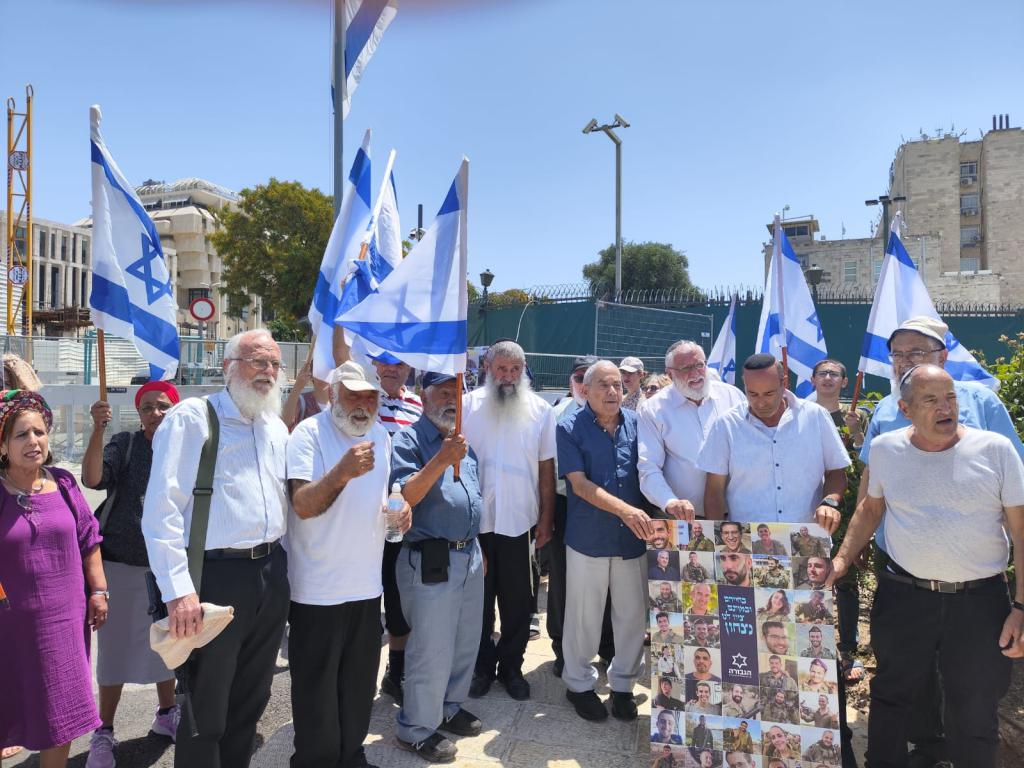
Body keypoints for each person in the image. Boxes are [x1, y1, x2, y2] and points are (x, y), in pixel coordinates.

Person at [832, 363, 1024, 768]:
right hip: (904, 597)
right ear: (905, 409)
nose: (945, 408)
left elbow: (1021, 531)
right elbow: (870, 509)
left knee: (973, 707)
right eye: (931, 400)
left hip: (979, 602)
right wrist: (842, 559)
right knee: (892, 697)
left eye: (950, 397)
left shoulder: (995, 450)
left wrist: (1021, 607)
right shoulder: (886, 450)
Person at [142, 329, 291, 766]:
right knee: (204, 710)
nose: (267, 372)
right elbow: (161, 511)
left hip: (270, 573)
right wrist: (178, 590)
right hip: (213, 578)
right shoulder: (193, 418)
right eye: (257, 361)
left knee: (251, 698)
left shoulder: (275, 426)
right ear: (229, 367)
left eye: (274, 365)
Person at [285, 361, 410, 768]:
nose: (362, 405)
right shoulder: (309, 434)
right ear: (333, 395)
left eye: (370, 396)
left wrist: (401, 510)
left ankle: (352, 755)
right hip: (316, 589)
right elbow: (303, 505)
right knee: (316, 689)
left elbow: (383, 499)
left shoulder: (379, 436)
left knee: (358, 686)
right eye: (353, 395)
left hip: (365, 587)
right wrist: (341, 472)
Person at [0, 391, 107, 768]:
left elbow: (89, 539)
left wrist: (98, 591)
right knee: (9, 703)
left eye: (40, 433)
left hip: (64, 622)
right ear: (2, 444)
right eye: (21, 435)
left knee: (61, 713)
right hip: (9, 626)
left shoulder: (63, 483)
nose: (34, 442)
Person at [81, 381, 181, 767]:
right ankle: (103, 732)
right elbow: (92, 479)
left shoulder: (187, 447)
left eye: (163, 407)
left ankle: (166, 713)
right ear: (138, 413)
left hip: (168, 564)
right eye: (148, 407)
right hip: (121, 561)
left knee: (168, 645)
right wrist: (97, 428)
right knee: (116, 651)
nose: (156, 414)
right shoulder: (124, 444)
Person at [389, 372, 485, 763]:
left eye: (456, 392)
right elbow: (403, 497)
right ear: (424, 396)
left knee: (464, 641)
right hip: (430, 558)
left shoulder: (465, 444)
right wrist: (441, 459)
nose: (451, 399)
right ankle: (415, 727)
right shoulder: (410, 440)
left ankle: (447, 705)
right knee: (430, 648)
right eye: (443, 392)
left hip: (468, 555)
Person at [462, 341, 555, 701]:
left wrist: (546, 518)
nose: (508, 377)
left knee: (519, 602)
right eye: (501, 369)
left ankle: (512, 667)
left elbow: (546, 468)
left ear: (524, 370)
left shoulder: (540, 411)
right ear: (488, 368)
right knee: (479, 603)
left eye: (515, 370)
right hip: (477, 525)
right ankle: (481, 667)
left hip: (520, 523)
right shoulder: (467, 407)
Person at [558, 360, 650, 722]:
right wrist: (626, 511)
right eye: (604, 386)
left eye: (618, 386)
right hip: (589, 539)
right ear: (586, 390)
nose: (613, 392)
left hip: (632, 540)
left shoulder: (638, 424)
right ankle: (579, 685)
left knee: (630, 615)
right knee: (584, 615)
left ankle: (624, 685)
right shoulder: (569, 428)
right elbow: (578, 485)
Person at [699, 354, 850, 530]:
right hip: (748, 541)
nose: (761, 403)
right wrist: (719, 540)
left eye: (769, 393)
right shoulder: (726, 425)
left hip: (807, 537)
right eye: (752, 394)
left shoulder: (815, 416)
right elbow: (714, 490)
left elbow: (836, 472)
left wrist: (829, 503)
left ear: (783, 383)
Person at [545, 356, 614, 677]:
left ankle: (607, 646)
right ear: (573, 382)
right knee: (562, 581)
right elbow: (545, 469)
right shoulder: (556, 416)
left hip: (607, 506)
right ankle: (561, 646)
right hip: (565, 503)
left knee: (607, 582)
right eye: (578, 378)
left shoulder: (618, 416)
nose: (583, 385)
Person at [367, 353, 423, 705]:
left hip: (400, 519)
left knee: (398, 598)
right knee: (365, 602)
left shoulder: (418, 404)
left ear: (409, 368)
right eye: (384, 363)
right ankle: (359, 671)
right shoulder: (362, 399)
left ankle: (395, 671)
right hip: (360, 522)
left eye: (398, 364)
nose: (390, 369)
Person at [638, 340, 745, 519]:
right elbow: (648, 467)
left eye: (699, 365)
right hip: (681, 519)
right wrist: (670, 501)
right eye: (685, 368)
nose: (695, 374)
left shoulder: (733, 397)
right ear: (670, 375)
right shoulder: (653, 410)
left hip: (734, 517)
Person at [810, 358, 868, 448]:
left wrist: (857, 432)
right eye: (822, 374)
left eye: (834, 374)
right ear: (813, 380)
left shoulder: (856, 415)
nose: (827, 378)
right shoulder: (800, 414)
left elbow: (867, 457)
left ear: (844, 382)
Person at [281, 347, 331, 432]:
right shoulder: (302, 401)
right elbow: (284, 423)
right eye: (321, 370)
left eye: (329, 369)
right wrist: (297, 387)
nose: (326, 374)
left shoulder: (338, 402)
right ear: (311, 374)